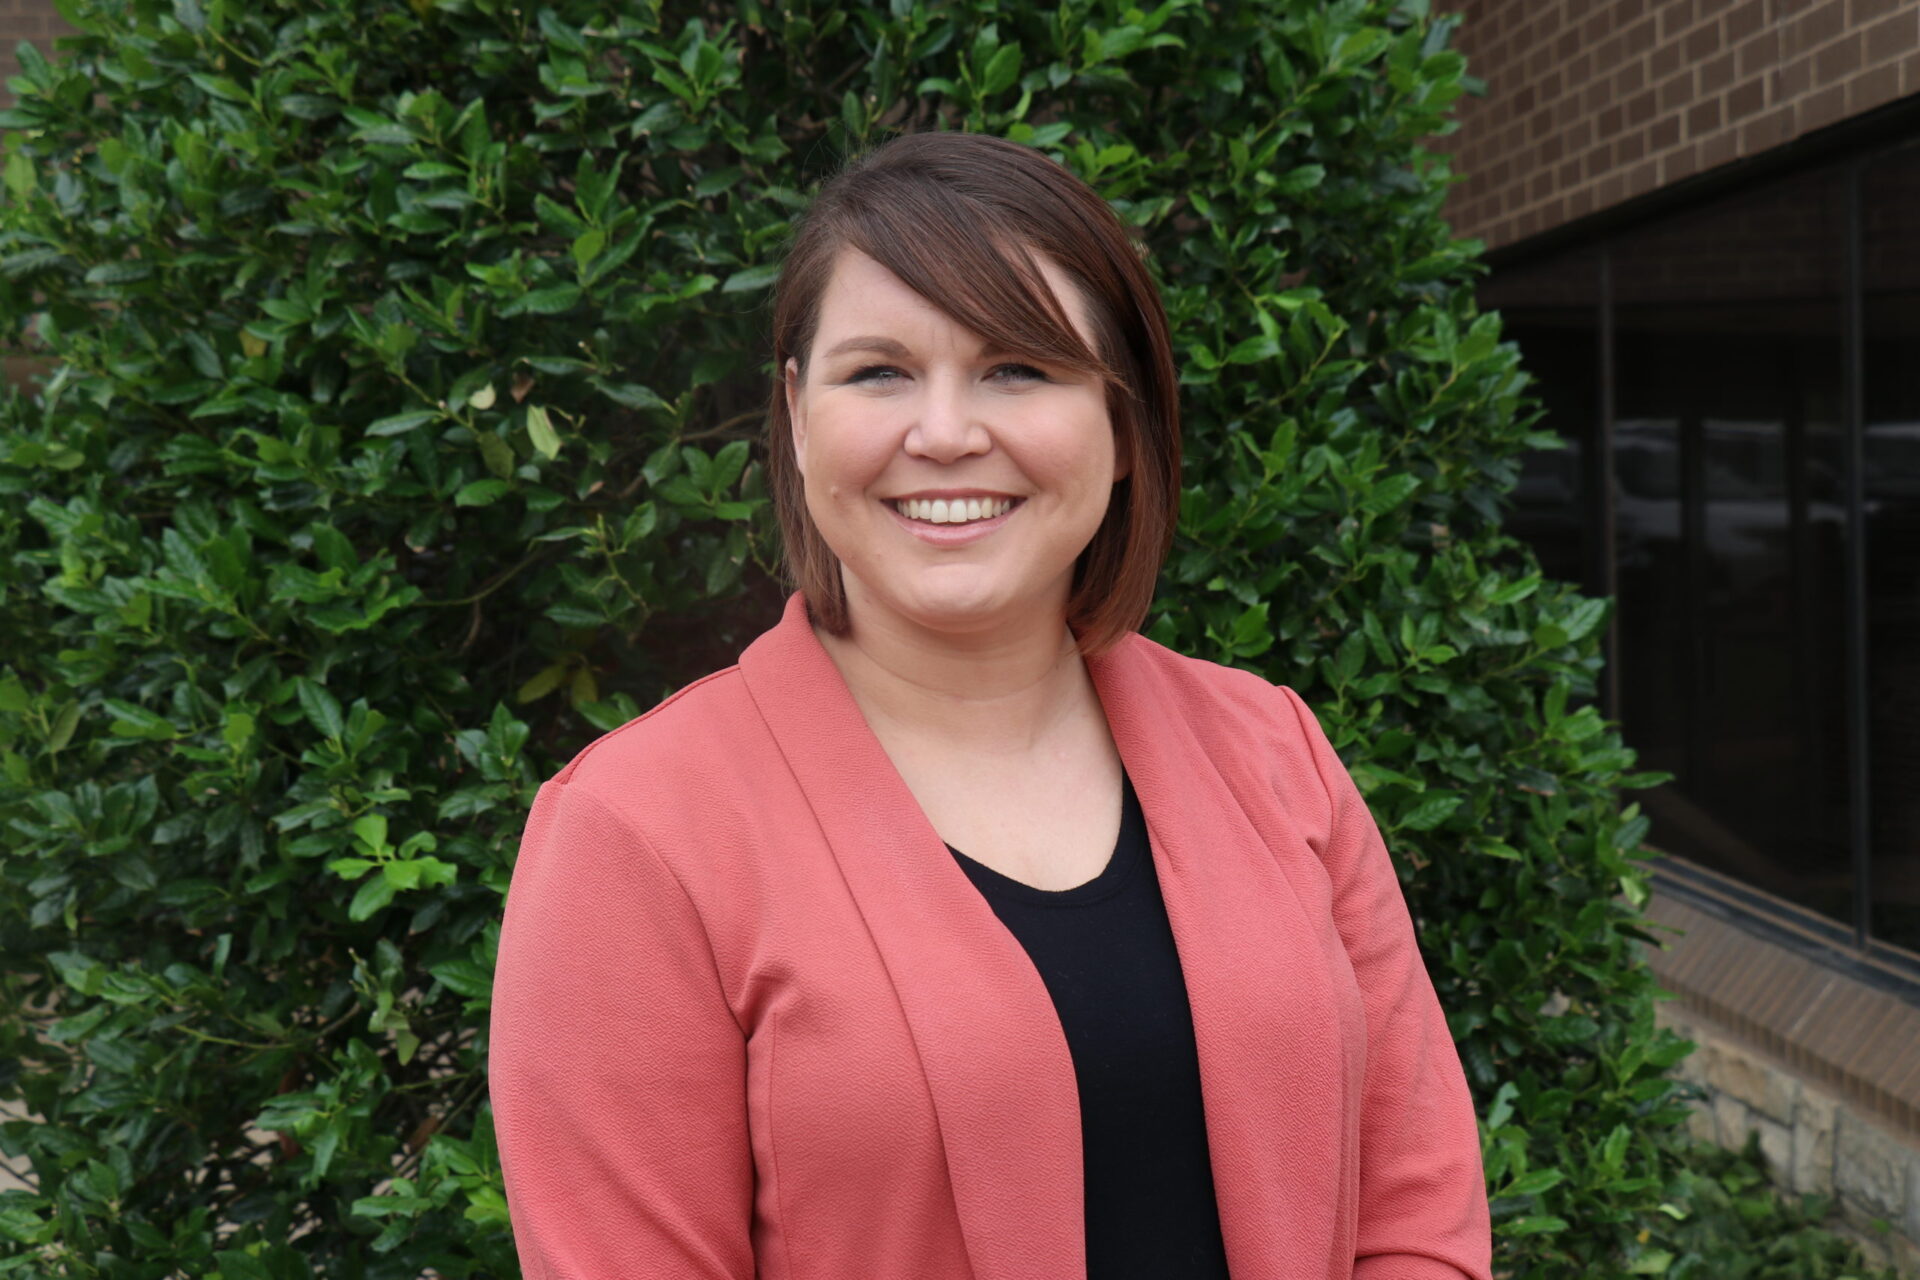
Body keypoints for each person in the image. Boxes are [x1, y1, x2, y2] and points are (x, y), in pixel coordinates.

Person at [487, 130, 1493, 1280]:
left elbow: (1419, 1214)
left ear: (1123, 425)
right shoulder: (638, 833)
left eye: (1019, 366)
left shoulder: (1274, 749)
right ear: (799, 414)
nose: (948, 432)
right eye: (878, 372)